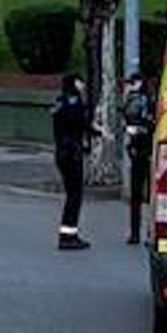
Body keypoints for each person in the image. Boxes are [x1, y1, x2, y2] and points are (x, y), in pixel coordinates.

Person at [51, 74, 98, 250]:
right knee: (75, 195)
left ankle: (68, 233)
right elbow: (81, 124)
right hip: (72, 153)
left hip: (61, 152)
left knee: (71, 194)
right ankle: (68, 236)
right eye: (81, 82)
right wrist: (98, 132)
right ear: (75, 83)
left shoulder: (59, 101)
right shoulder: (74, 101)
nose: (83, 85)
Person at [122, 73, 156, 245]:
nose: (130, 86)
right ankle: (146, 233)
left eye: (132, 83)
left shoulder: (141, 100)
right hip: (145, 149)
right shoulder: (147, 99)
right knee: (148, 195)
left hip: (140, 150)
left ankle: (137, 233)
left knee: (140, 195)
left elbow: (129, 122)